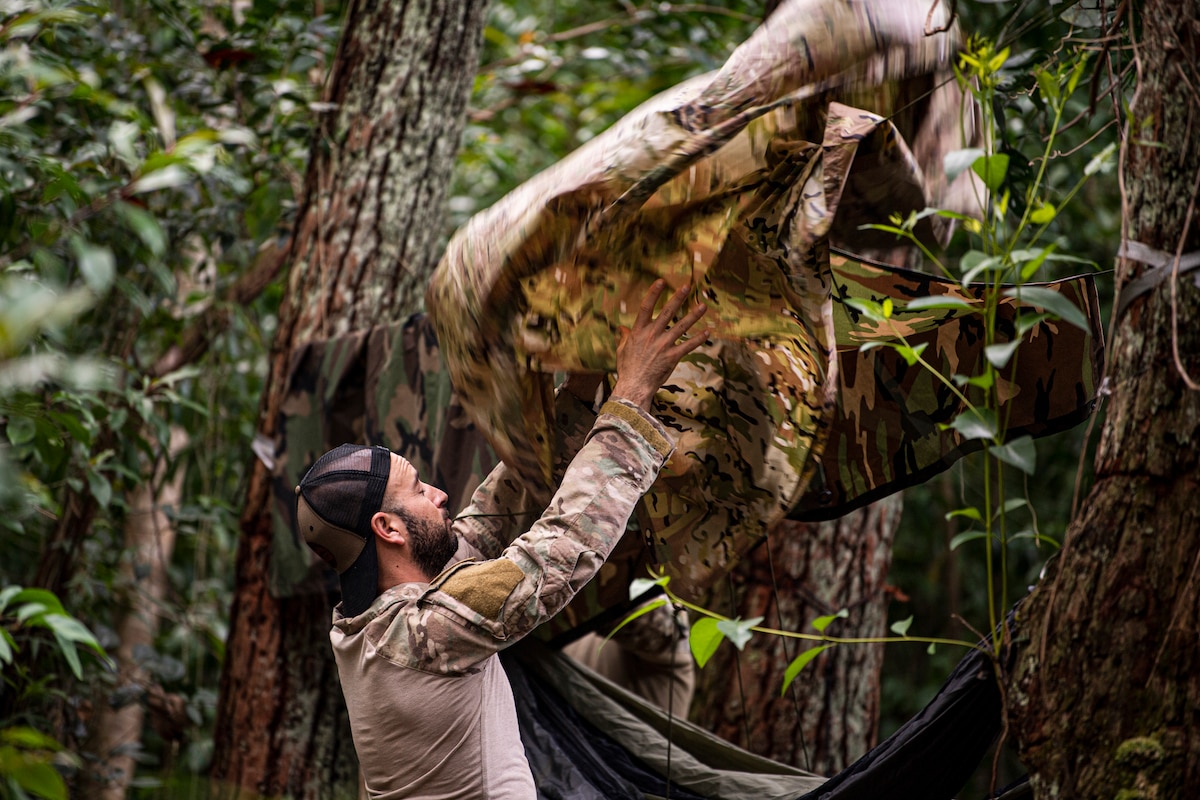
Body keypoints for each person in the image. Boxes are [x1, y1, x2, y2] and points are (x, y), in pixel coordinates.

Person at [295, 281, 707, 800]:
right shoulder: (425, 631)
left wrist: (581, 389)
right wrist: (631, 397)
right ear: (389, 529)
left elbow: (490, 518)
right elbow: (555, 556)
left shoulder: (374, 623)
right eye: (420, 490)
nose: (441, 495)